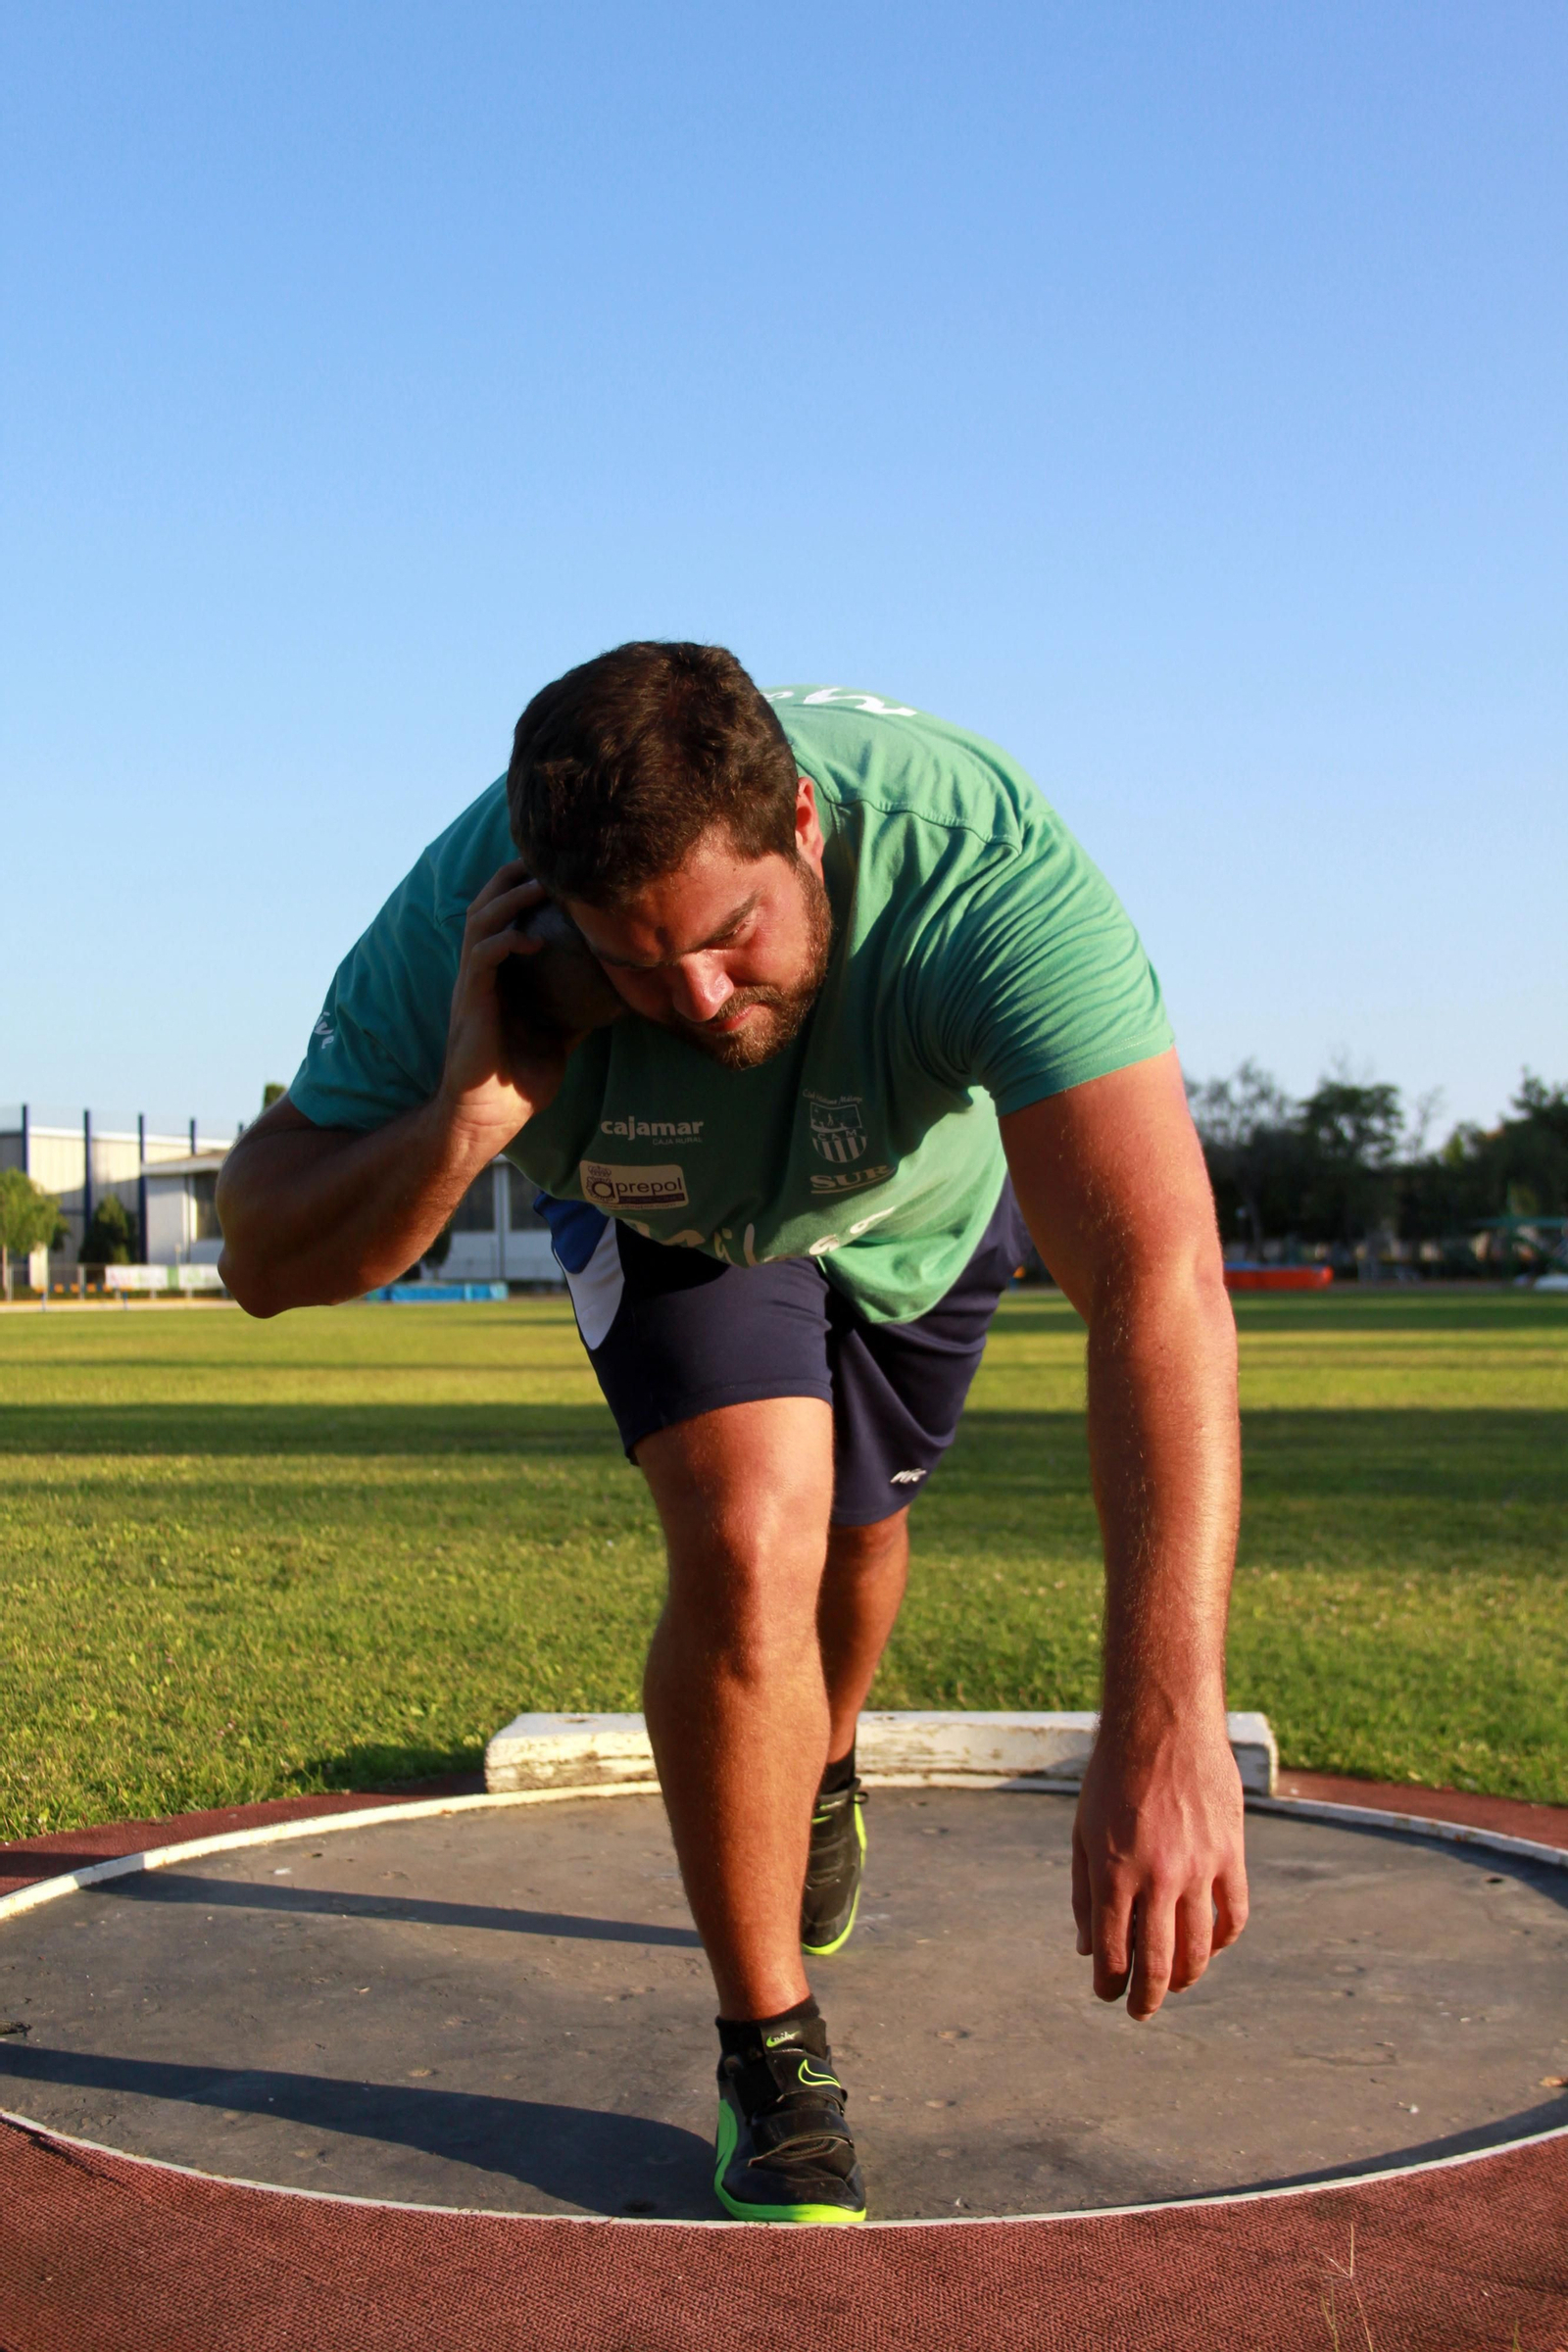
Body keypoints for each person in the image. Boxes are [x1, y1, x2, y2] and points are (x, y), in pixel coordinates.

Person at [218, 641, 1248, 2227]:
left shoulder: (977, 868)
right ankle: (772, 2056)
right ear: (552, 908)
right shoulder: (460, 925)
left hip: (916, 1210)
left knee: (859, 1536)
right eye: (637, 964)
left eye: (730, 937)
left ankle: (822, 1757)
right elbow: (263, 1260)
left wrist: (1167, 1722)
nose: (696, 1000)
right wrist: (468, 1122)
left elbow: (1159, 1281)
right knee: (751, 1535)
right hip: (674, 1216)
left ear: (809, 832)